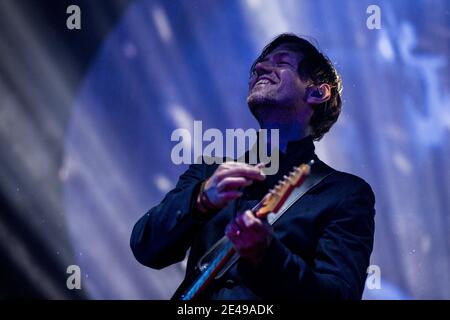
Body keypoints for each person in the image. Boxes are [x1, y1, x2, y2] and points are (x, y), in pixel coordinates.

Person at [130, 33, 375, 300]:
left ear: (318, 92)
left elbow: (339, 297)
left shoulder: (344, 193)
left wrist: (268, 255)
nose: (259, 68)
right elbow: (146, 248)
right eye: (259, 64)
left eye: (281, 62)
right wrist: (199, 200)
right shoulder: (209, 172)